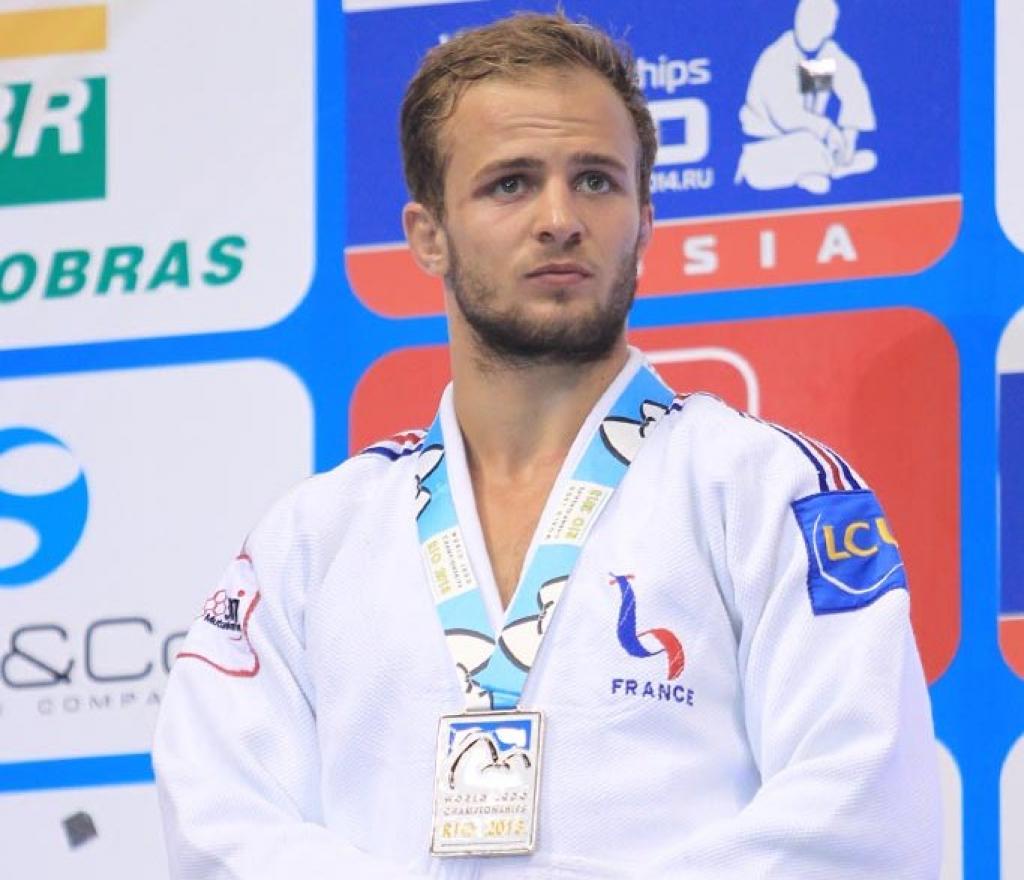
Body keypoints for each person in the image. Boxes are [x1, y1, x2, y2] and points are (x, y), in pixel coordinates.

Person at [153, 12, 942, 878]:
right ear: (427, 235)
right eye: (511, 184)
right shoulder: (313, 540)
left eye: (596, 181)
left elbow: (863, 818)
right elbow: (220, 822)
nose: (560, 219)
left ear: (645, 221)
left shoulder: (767, 491)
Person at [735, 0, 878, 194]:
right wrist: (828, 130)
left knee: (821, 148)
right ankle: (829, 168)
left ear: (830, 28)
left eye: (819, 24)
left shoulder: (822, 57)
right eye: (806, 21)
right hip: (764, 147)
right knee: (808, 146)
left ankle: (828, 167)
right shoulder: (778, 57)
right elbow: (787, 116)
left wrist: (849, 138)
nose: (810, 29)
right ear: (797, 19)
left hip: (808, 143)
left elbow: (853, 89)